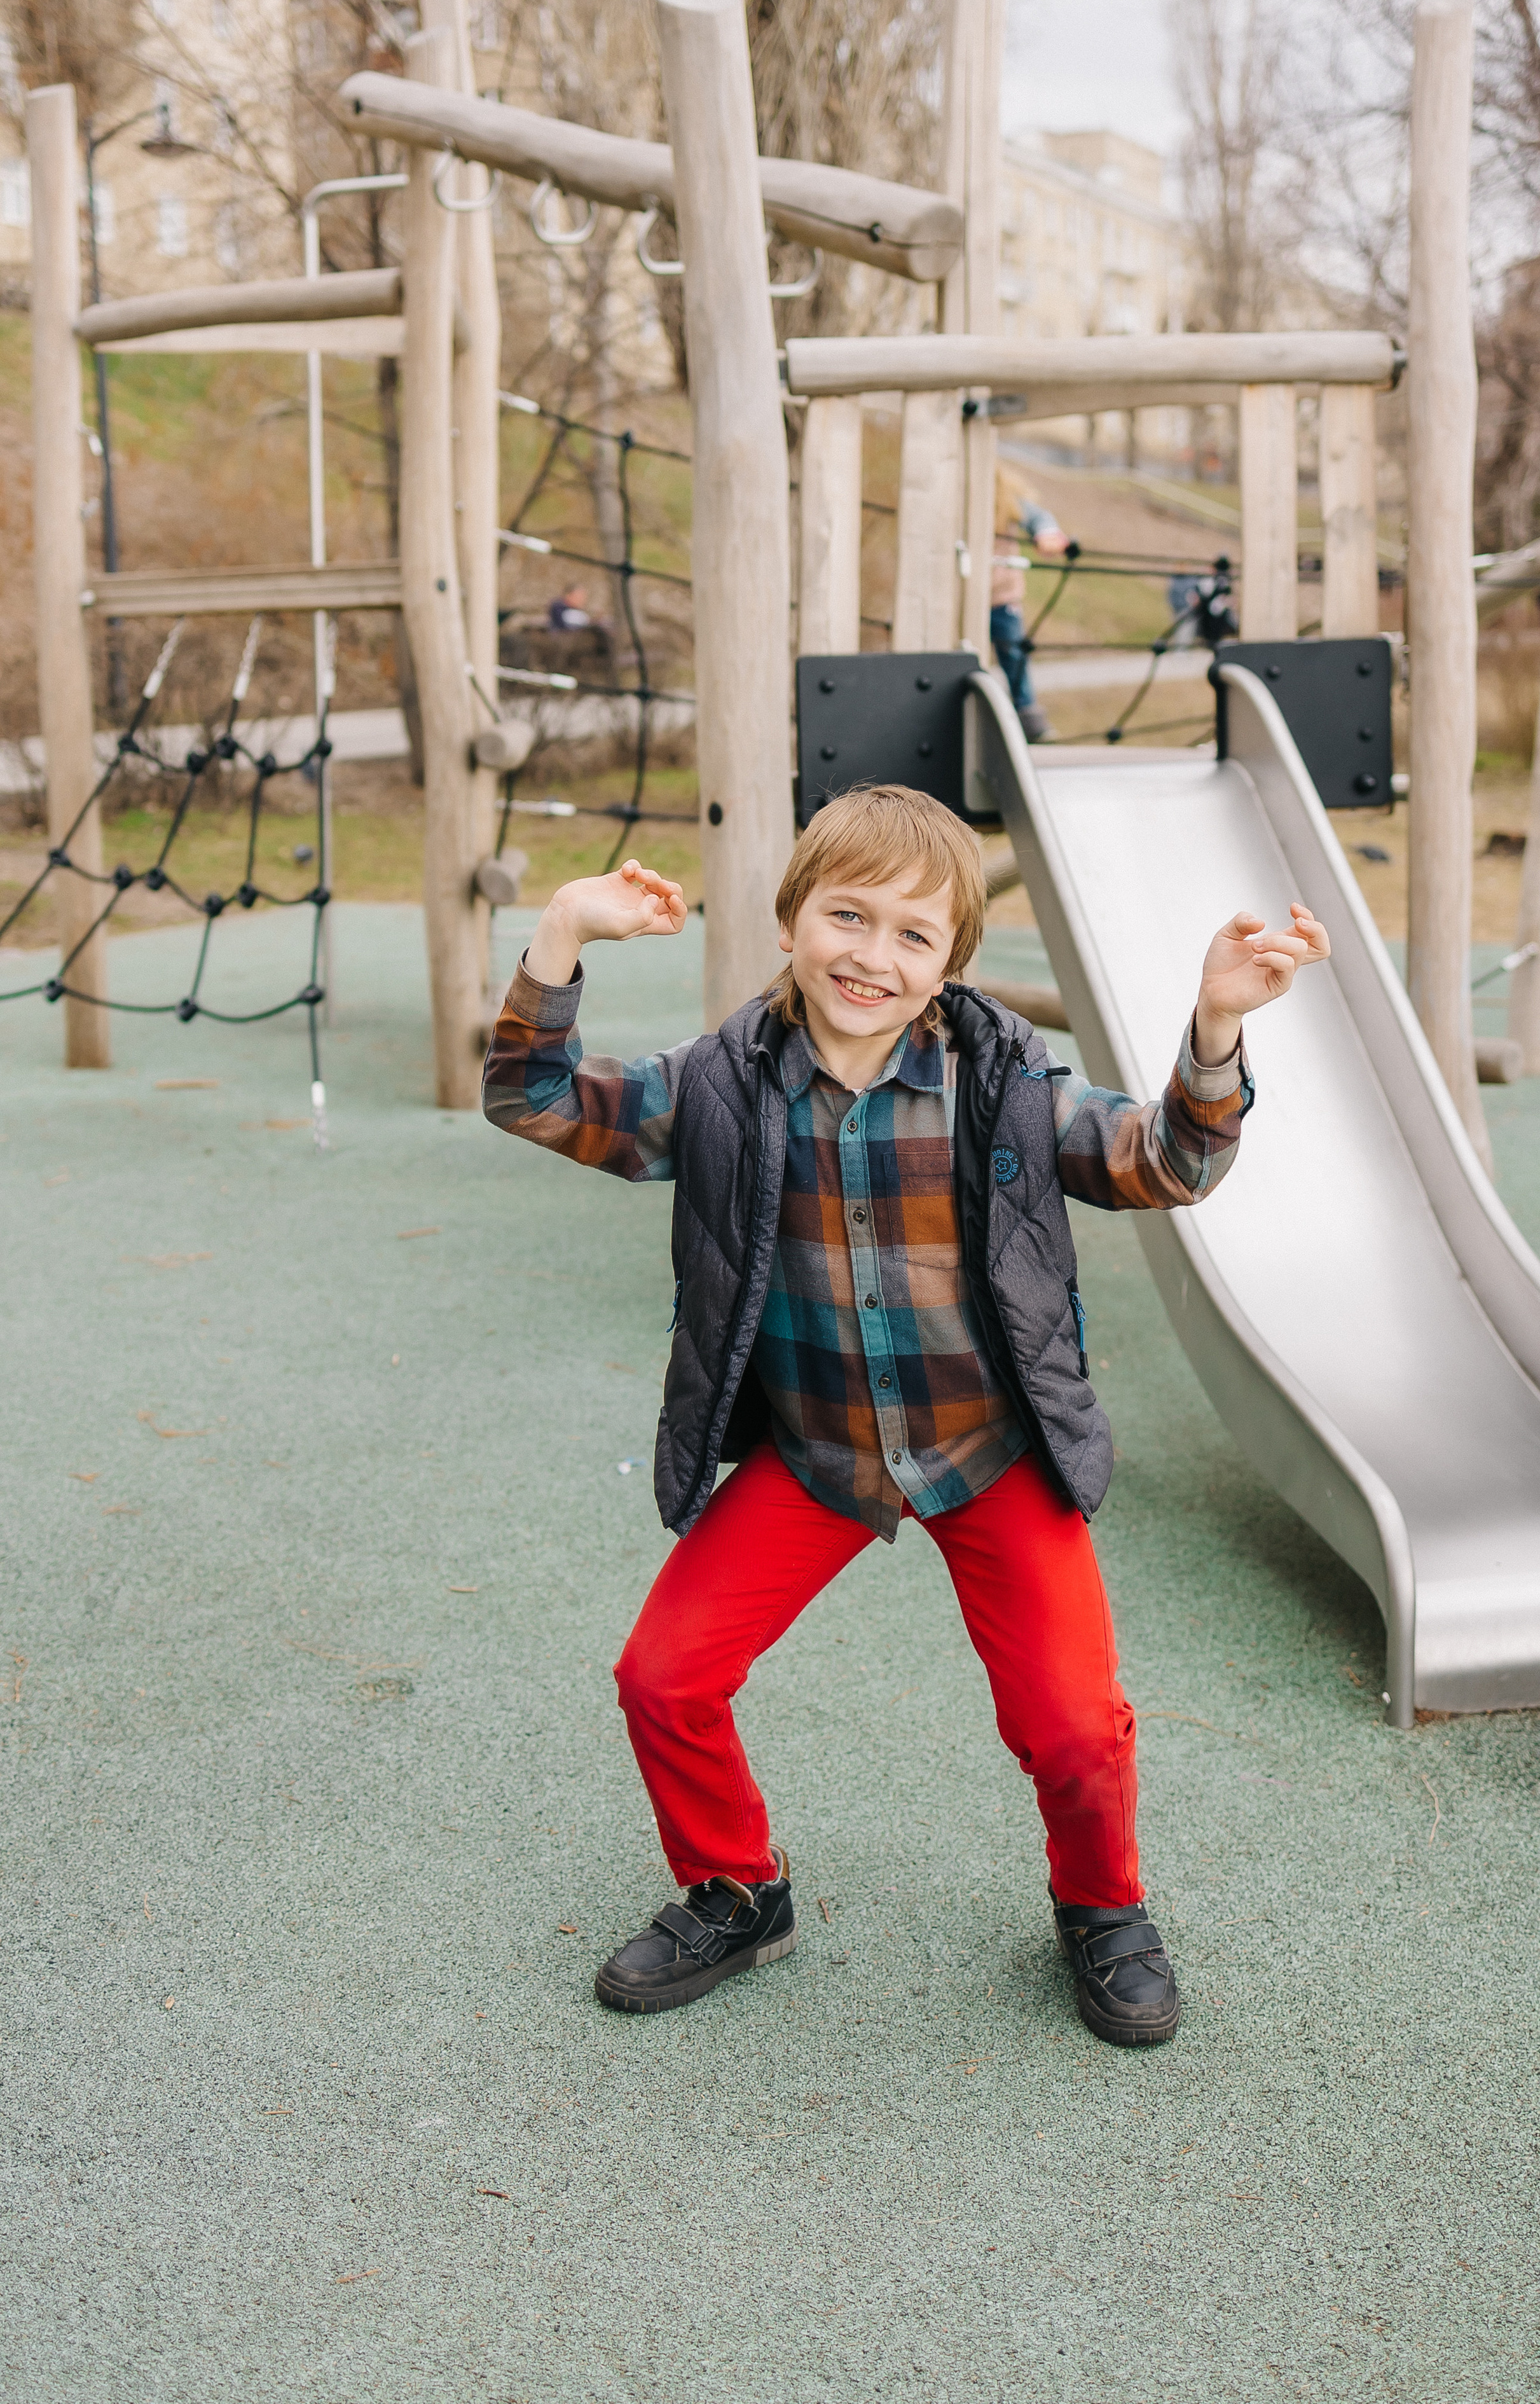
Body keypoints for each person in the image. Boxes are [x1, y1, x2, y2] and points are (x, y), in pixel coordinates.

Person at [483, 785, 1330, 2044]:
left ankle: (1099, 1909)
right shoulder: (715, 1087)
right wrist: (559, 932)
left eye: (912, 936)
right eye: (846, 915)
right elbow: (532, 1098)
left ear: (948, 967)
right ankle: (734, 1892)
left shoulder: (1002, 1086)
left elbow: (1168, 1163)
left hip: (984, 1442)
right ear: (788, 921)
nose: (871, 956)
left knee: (1070, 1725)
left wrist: (1213, 1026)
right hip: (818, 1448)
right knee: (663, 1676)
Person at [991, 463, 1071, 745]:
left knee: (1015, 655)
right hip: (967, 598)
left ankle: (1030, 720)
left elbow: (1038, 516)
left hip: (1002, 597)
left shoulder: (1005, 501)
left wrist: (1048, 534)